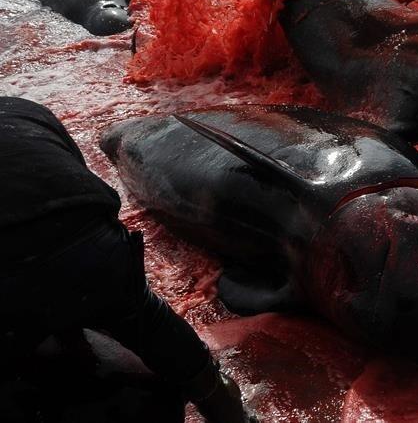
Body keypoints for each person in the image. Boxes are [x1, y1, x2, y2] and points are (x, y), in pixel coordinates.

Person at [0, 97, 254, 422]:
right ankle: (226, 407)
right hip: (93, 245)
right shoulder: (24, 110)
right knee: (146, 318)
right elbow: (80, 183)